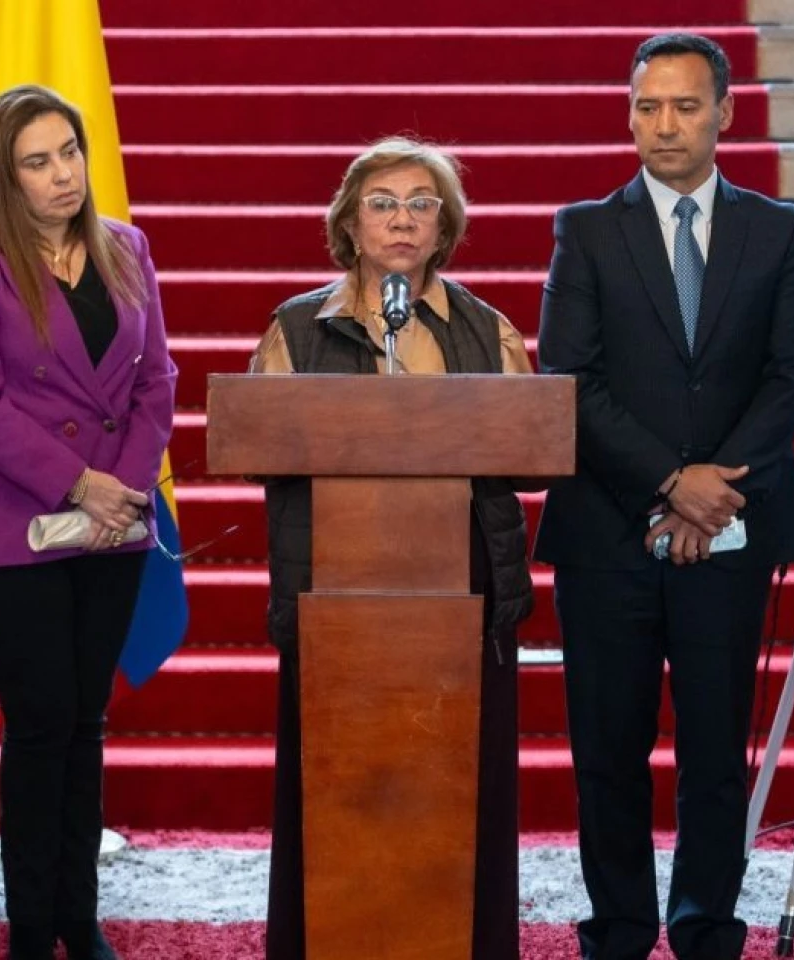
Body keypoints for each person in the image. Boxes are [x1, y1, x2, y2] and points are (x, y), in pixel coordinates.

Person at [536, 33, 794, 960]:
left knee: (715, 754)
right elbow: (569, 376)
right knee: (607, 754)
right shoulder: (587, 228)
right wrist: (670, 483)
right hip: (607, 534)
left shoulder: (774, 230)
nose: (665, 124)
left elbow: (792, 370)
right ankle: (618, 930)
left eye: (686, 106)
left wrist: (715, 493)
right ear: (629, 116)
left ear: (724, 114)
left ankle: (706, 929)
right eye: (648, 106)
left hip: (731, 534)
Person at [248, 136, 535, 960]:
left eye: (420, 204)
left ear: (445, 227)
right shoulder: (297, 329)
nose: (402, 220)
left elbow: (531, 445)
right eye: (382, 204)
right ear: (349, 224)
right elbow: (258, 440)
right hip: (334, 592)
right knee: (333, 788)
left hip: (463, 594)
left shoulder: (487, 329)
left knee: (464, 787)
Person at [0, 84, 177, 960]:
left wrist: (122, 488)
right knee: (40, 727)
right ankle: (33, 928)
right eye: (38, 162)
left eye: (69, 151)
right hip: (13, 528)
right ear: (5, 176)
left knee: (86, 724)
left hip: (115, 525)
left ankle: (80, 915)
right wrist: (79, 485)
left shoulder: (126, 247)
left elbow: (156, 382)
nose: (64, 173)